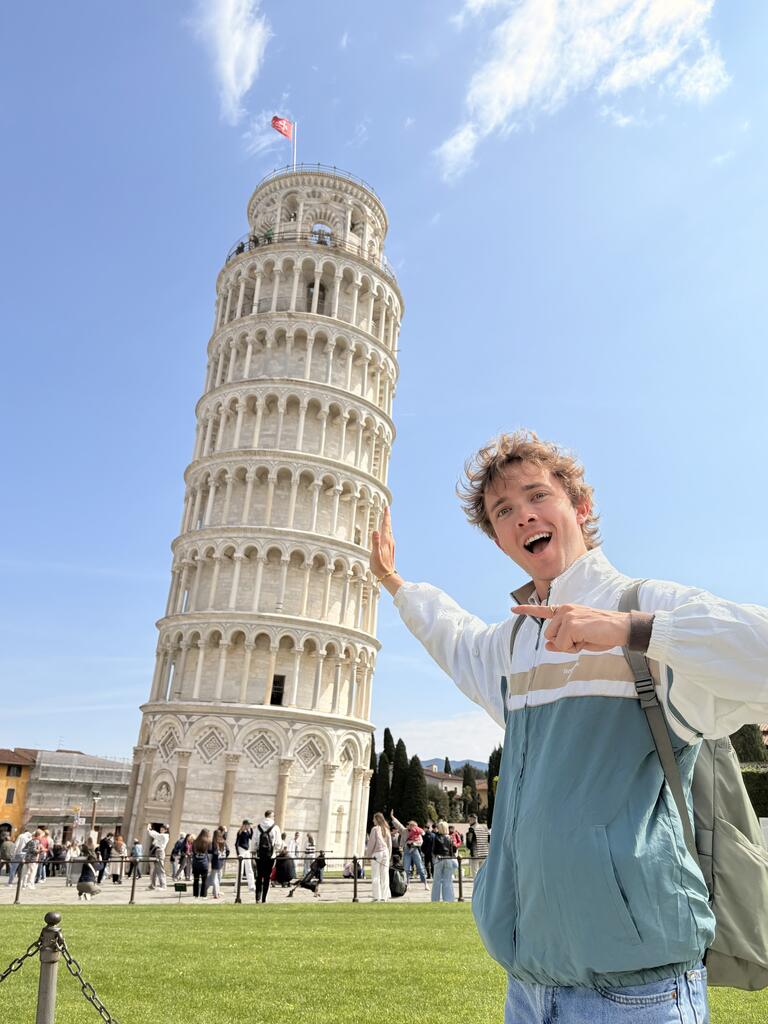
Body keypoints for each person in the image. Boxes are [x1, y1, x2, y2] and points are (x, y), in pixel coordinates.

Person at [371, 429, 768, 1023]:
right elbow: (454, 637)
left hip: (640, 993)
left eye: (536, 495)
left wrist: (630, 629)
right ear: (501, 537)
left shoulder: (641, 601)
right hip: (529, 986)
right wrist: (398, 587)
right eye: (503, 510)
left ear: (580, 507)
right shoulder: (514, 643)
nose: (522, 514)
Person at [391, 813, 427, 889]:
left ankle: (425, 883)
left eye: (413, 826)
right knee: (406, 868)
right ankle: (407, 883)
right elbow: (398, 825)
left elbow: (421, 842)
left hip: (415, 850)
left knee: (420, 867)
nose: (412, 828)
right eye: (410, 826)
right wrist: (393, 817)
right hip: (406, 850)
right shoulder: (404, 831)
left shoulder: (417, 832)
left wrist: (413, 843)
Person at [253, 810, 281, 904]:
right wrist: (275, 850)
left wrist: (255, 851)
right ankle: (264, 899)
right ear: (271, 816)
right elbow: (278, 843)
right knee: (267, 877)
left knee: (259, 876)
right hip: (270, 855)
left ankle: (257, 897)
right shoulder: (275, 828)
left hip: (259, 855)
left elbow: (254, 842)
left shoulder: (258, 827)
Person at [365, 812, 392, 902]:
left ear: (377, 819)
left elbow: (371, 843)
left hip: (377, 853)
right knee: (385, 875)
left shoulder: (375, 829)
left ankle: (377, 896)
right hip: (386, 853)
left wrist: (368, 856)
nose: (373, 820)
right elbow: (389, 845)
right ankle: (385, 896)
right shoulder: (386, 829)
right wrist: (389, 855)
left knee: (376, 875)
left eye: (374, 819)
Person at [146, 823, 169, 889]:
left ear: (166, 830)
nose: (161, 829)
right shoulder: (162, 835)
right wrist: (150, 830)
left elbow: (156, 835)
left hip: (160, 852)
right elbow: (155, 840)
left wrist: (149, 830)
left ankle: (163, 885)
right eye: (161, 828)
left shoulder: (164, 836)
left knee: (160, 869)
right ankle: (152, 885)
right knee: (155, 870)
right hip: (157, 851)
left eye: (163, 828)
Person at [235, 819, 255, 893]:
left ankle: (252, 887)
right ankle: (237, 887)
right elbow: (236, 843)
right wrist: (238, 853)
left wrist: (252, 829)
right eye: (248, 824)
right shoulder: (240, 832)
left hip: (247, 851)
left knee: (249, 869)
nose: (250, 826)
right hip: (241, 850)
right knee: (240, 869)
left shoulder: (247, 832)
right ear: (245, 825)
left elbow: (251, 837)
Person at [191, 829, 211, 898]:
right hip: (204, 863)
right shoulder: (208, 842)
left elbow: (193, 852)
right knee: (204, 881)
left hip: (195, 863)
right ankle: (203, 895)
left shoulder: (195, 842)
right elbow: (210, 852)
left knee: (196, 880)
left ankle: (196, 895)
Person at [209, 829, 229, 900]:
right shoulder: (223, 842)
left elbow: (210, 852)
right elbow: (228, 851)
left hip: (215, 862)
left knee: (215, 878)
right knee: (218, 877)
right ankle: (216, 892)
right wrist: (224, 857)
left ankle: (216, 893)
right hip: (221, 861)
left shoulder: (213, 843)